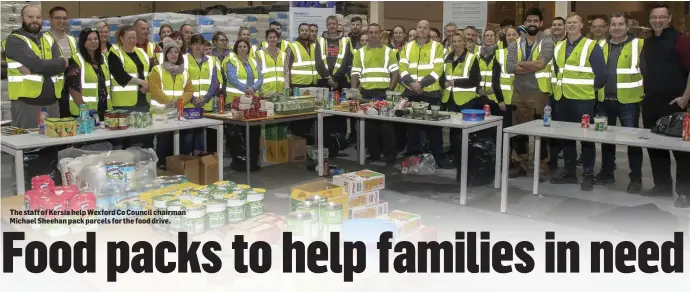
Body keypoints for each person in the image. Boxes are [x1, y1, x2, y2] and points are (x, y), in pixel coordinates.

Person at [549, 13, 607, 191]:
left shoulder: (591, 46)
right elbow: (557, 72)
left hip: (583, 100)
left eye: (575, 22)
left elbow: (602, 76)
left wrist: (589, 91)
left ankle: (588, 173)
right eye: (568, 23)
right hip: (562, 99)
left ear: (582, 25)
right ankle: (570, 172)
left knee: (586, 138)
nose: (571, 25)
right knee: (567, 138)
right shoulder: (558, 46)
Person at [640, 3, 690, 207]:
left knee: (680, 150)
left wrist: (685, 98)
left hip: (674, 102)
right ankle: (661, 186)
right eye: (654, 17)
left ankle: (685, 193)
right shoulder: (649, 42)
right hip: (651, 101)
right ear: (650, 19)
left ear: (669, 18)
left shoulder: (682, 41)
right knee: (655, 147)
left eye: (662, 17)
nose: (658, 21)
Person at [591, 13, 644, 193]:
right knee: (606, 139)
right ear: (608, 27)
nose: (617, 27)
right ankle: (607, 172)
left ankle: (636, 177)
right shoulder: (599, 46)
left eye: (621, 24)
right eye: (613, 24)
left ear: (627, 27)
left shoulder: (638, 45)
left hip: (629, 101)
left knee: (632, 141)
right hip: (604, 100)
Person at [505, 8, 554, 182]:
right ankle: (521, 163)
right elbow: (509, 67)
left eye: (535, 21)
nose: (532, 24)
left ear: (541, 23)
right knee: (519, 131)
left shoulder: (547, 41)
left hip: (539, 93)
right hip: (518, 92)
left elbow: (541, 64)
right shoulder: (514, 43)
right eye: (529, 21)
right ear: (524, 23)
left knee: (541, 131)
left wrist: (521, 64)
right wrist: (530, 65)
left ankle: (541, 166)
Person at [4, 4, 68, 128]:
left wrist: (34, 70)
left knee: (53, 144)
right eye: (30, 17)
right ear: (21, 18)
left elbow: (63, 64)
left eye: (38, 17)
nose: (35, 20)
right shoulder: (14, 40)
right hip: (27, 104)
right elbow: (37, 64)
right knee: (28, 144)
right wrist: (46, 66)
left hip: (53, 102)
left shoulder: (48, 39)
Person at [399, 20, 449, 168]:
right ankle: (413, 158)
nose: (422, 30)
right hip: (412, 92)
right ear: (416, 29)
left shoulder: (437, 47)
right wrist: (413, 85)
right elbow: (402, 68)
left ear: (429, 31)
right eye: (419, 27)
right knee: (412, 127)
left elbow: (438, 69)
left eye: (425, 28)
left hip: (431, 92)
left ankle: (438, 158)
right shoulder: (407, 47)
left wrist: (421, 84)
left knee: (434, 128)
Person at [351, 23, 400, 166]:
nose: (373, 34)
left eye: (375, 32)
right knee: (369, 127)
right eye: (370, 32)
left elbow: (395, 72)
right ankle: (374, 154)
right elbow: (355, 73)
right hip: (365, 94)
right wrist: (354, 91)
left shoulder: (388, 51)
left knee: (386, 127)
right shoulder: (359, 52)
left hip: (382, 93)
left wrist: (389, 89)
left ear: (380, 34)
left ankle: (390, 154)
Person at [439, 31, 482, 180]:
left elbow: (475, 80)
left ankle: (466, 163)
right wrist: (442, 82)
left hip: (466, 101)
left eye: (459, 41)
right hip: (450, 100)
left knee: (464, 134)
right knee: (453, 133)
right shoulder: (448, 58)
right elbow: (442, 77)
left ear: (465, 42)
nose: (456, 44)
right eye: (454, 41)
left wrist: (455, 82)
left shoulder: (471, 58)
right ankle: (456, 159)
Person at [108, 25, 154, 149]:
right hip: (122, 104)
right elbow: (120, 76)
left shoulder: (141, 52)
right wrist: (142, 82)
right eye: (129, 38)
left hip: (142, 101)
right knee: (120, 139)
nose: (132, 40)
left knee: (138, 138)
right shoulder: (115, 53)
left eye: (134, 37)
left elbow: (150, 72)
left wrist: (148, 85)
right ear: (121, 38)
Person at [149, 40, 194, 166]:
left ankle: (179, 168)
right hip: (161, 115)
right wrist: (170, 102)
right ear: (165, 54)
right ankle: (161, 168)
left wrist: (179, 102)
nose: (174, 55)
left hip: (179, 114)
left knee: (182, 144)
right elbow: (155, 89)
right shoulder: (157, 70)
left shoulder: (185, 72)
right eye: (170, 52)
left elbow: (189, 91)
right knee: (163, 143)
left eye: (176, 52)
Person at [226, 39, 264, 171]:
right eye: (240, 47)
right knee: (237, 135)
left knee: (254, 133)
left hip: (253, 102)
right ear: (236, 49)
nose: (242, 49)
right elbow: (232, 79)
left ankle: (253, 162)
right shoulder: (232, 61)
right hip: (236, 102)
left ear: (248, 48)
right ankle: (240, 163)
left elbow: (260, 77)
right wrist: (247, 89)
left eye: (244, 46)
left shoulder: (253, 61)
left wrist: (253, 89)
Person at [183, 34, 221, 153]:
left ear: (204, 45)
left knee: (202, 138)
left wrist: (205, 98)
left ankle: (200, 165)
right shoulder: (183, 59)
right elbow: (181, 81)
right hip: (189, 106)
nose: (198, 46)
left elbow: (215, 82)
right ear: (190, 45)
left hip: (206, 105)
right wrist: (192, 99)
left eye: (200, 44)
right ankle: (187, 163)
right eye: (195, 44)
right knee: (188, 138)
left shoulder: (212, 60)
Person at [65, 28, 112, 121]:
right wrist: (86, 111)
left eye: (95, 39)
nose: (93, 42)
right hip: (84, 113)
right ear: (83, 42)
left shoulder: (104, 58)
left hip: (105, 110)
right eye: (89, 39)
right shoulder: (75, 60)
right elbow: (73, 89)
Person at [45, 6, 77, 118]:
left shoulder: (72, 40)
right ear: (50, 20)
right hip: (52, 89)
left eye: (64, 18)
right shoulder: (43, 39)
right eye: (58, 18)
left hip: (71, 88)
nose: (62, 21)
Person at [287, 23, 318, 89]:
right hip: (297, 84)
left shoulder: (314, 46)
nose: (304, 32)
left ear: (309, 32)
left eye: (306, 30)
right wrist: (288, 85)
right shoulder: (292, 46)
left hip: (313, 84)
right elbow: (287, 68)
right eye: (302, 30)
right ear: (298, 32)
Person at [257, 29, 288, 94]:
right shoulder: (259, 54)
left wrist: (287, 88)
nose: (272, 39)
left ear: (278, 39)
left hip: (281, 93)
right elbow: (257, 74)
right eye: (270, 37)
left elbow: (286, 73)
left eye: (274, 37)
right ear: (266, 39)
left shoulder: (283, 54)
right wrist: (260, 91)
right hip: (266, 93)